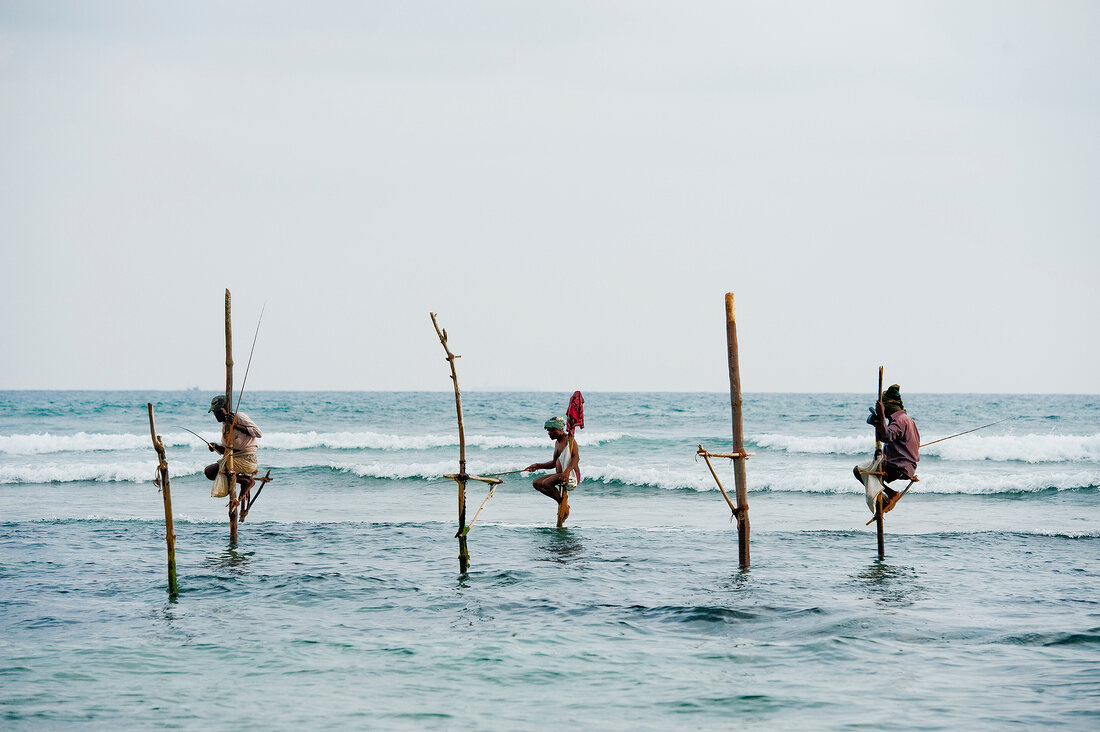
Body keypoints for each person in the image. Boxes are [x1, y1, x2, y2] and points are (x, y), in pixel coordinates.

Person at [854, 384, 920, 512]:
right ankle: (890, 494)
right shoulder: (907, 419)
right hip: (906, 466)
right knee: (870, 474)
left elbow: (885, 436)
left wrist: (881, 413)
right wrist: (878, 420)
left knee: (858, 471)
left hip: (898, 466)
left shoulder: (900, 420)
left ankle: (888, 497)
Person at [203, 395, 263, 493]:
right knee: (209, 472)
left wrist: (235, 424)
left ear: (227, 410)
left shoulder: (238, 417)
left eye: (219, 412)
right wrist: (216, 447)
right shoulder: (224, 426)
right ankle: (243, 480)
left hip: (247, 459)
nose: (216, 415)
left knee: (211, 471)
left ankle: (246, 481)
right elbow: (226, 449)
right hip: (234, 457)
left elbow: (258, 433)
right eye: (215, 412)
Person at [525, 416, 580, 521]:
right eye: (548, 431)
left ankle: (563, 505)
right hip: (560, 475)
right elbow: (554, 463)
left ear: (559, 429)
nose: (549, 433)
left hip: (571, 474)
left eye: (551, 431)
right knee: (536, 483)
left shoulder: (569, 440)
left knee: (546, 483)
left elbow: (576, 458)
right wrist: (538, 466)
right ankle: (563, 503)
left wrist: (567, 471)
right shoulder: (557, 442)